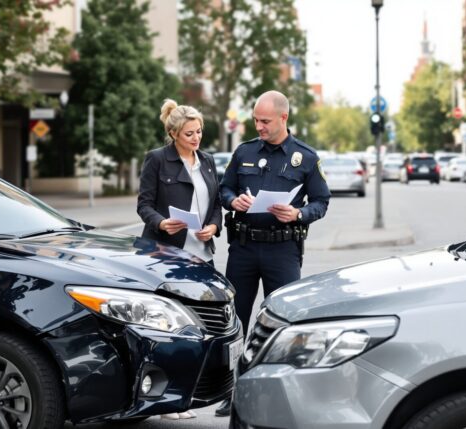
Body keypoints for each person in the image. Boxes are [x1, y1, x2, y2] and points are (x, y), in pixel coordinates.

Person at [215, 90, 330, 416]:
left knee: (283, 321)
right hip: (244, 248)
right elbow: (226, 187)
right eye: (255, 120)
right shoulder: (244, 151)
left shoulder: (304, 157)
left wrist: (298, 214)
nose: (259, 126)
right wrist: (232, 201)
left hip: (283, 249)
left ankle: (280, 392)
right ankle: (232, 391)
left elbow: (321, 201)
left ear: (283, 118)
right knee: (235, 320)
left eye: (264, 121)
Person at [137, 99, 222, 420]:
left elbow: (216, 205)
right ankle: (164, 402)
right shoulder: (157, 160)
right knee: (169, 330)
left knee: (201, 328)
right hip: (167, 256)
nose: (196, 138)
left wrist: (214, 226)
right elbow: (144, 204)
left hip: (202, 256)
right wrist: (160, 222)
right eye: (189, 133)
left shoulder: (209, 161)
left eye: (199, 131)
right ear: (173, 134)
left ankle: (187, 395)